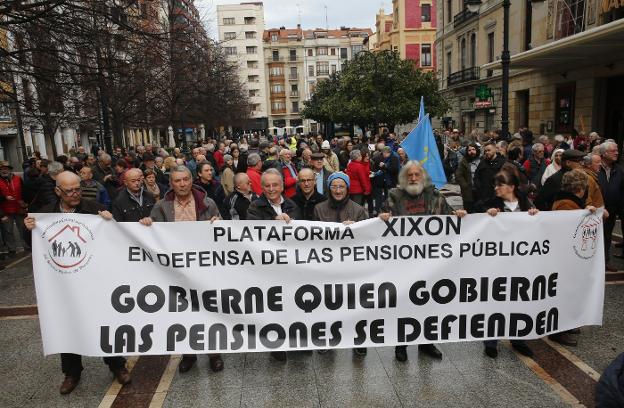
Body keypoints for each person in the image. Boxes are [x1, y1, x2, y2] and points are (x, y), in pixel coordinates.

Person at [23, 171, 131, 394]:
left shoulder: (93, 209)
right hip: (62, 284)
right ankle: (72, 372)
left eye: (77, 188)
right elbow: (31, 244)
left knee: (103, 322)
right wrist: (29, 229)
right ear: (57, 191)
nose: (75, 194)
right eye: (69, 190)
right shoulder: (44, 214)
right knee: (67, 325)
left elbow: (113, 238)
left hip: (93, 280)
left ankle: (117, 365)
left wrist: (109, 222)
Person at [378, 161, 466, 362]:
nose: (414, 178)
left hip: (430, 265)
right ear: (404, 178)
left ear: (423, 177)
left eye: (417, 174)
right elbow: (382, 225)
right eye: (410, 175)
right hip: (402, 265)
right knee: (403, 305)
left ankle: (426, 342)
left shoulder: (435, 197)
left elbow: (449, 220)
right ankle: (401, 345)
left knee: (428, 304)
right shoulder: (394, 196)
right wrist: (382, 217)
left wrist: (458, 215)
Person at [140, 166, 224, 373]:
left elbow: (222, 230)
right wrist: (146, 224)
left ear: (191, 179)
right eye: (177, 181)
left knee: (208, 312)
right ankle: (189, 355)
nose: (183, 184)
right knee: (183, 313)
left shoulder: (207, 203)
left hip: (204, 268)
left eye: (186, 179)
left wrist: (219, 222)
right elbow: (153, 237)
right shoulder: (161, 207)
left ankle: (214, 354)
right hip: (176, 271)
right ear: (171, 184)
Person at [476, 170, 537, 358]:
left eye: (500, 185)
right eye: (495, 185)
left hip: (520, 263)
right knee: (494, 301)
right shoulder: (491, 204)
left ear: (511, 187)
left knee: (518, 301)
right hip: (496, 264)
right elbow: (476, 218)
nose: (496, 188)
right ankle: (490, 341)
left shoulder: (526, 204)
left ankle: (518, 338)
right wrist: (486, 214)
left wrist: (535, 215)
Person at [247, 168, 301, 362]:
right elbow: (252, 231)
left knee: (291, 303)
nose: (271, 189)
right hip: (267, 267)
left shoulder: (292, 205)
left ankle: (295, 339)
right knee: (273, 306)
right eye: (267, 186)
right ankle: (276, 344)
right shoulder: (255, 207)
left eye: (275, 185)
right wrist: (273, 222)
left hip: (290, 266)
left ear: (282, 186)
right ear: (261, 187)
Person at [549, 169, 597, 346]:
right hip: (564, 257)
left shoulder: (569, 202)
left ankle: (566, 325)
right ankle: (558, 331)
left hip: (566, 256)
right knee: (564, 293)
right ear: (580, 188)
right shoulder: (566, 204)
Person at [597, 142, 624, 272]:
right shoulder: (595, 167)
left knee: (607, 237)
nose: (617, 153)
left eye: (617, 150)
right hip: (595, 211)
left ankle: (605, 262)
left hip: (612, 211)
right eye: (613, 151)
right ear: (604, 154)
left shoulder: (619, 169)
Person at [0, 161, 26, 258]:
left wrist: (25, 202)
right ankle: (12, 249)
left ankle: (27, 245)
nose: (4, 170)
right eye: (2, 169)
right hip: (5, 210)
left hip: (19, 208)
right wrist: (5, 198)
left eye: (6, 168)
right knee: (8, 231)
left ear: (10, 170)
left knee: (23, 228)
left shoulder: (18, 178)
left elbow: (24, 191)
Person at [455, 143, 480, 213]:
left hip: (480, 191)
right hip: (468, 191)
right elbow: (458, 175)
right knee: (469, 211)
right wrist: (464, 185)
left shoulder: (482, 160)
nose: (471, 152)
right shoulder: (464, 161)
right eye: (469, 150)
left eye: (473, 149)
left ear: (477, 150)